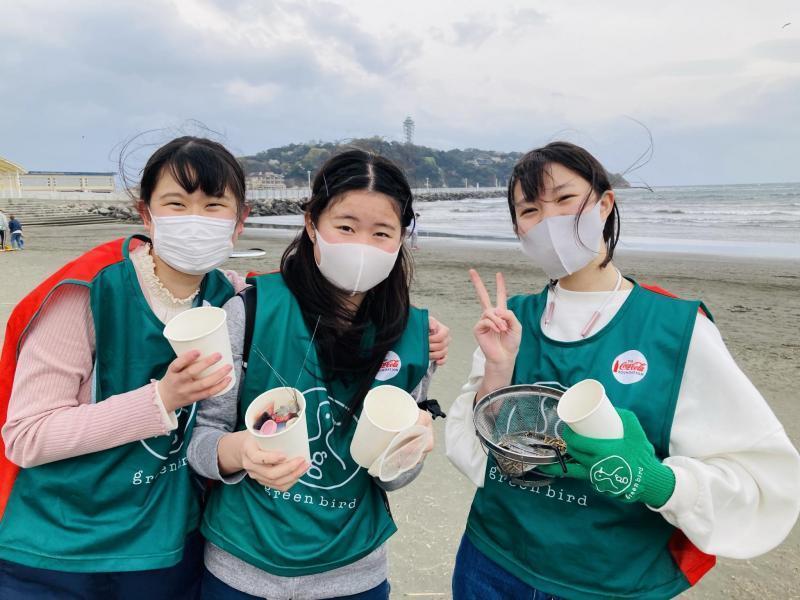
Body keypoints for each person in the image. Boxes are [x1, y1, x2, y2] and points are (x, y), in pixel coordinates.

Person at [445, 141, 800, 599]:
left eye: (565, 199)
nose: (550, 221)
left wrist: (656, 480)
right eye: (530, 209)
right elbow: (477, 454)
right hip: (491, 561)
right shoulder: (510, 320)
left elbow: (763, 478)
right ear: (517, 228)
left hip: (610, 581)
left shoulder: (677, 330)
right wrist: (498, 367)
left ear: (604, 203)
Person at [187, 149, 450, 600]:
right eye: (345, 227)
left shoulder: (415, 337)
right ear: (312, 224)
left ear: (401, 238)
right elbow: (201, 439)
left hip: (354, 575)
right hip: (239, 568)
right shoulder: (250, 312)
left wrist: (408, 452)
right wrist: (242, 451)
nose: (361, 245)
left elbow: (389, 478)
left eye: (381, 232)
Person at [0, 136, 251, 598]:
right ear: (146, 214)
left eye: (214, 206)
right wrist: (162, 400)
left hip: (167, 548)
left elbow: (309, 305)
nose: (195, 220)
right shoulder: (83, 295)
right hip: (59, 548)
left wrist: (422, 333)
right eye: (176, 203)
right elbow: (26, 436)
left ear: (239, 223)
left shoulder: (229, 297)